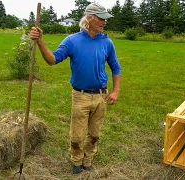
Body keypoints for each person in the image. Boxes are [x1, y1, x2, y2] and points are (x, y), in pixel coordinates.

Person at [29, 2, 121, 174]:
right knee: (77, 136)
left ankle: (88, 161)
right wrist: (40, 41)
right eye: (101, 19)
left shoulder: (107, 42)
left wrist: (115, 91)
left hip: (101, 96)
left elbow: (115, 67)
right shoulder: (72, 41)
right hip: (80, 96)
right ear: (89, 18)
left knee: (94, 135)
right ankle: (77, 162)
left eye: (105, 19)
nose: (104, 22)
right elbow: (52, 60)